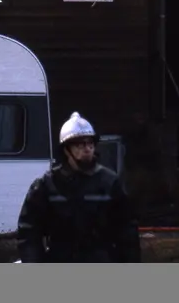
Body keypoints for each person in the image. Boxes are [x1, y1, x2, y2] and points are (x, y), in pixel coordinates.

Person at [16, 112, 141, 263]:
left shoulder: (110, 182)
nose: (87, 149)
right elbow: (29, 231)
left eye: (90, 144)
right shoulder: (47, 185)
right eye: (80, 145)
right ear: (66, 150)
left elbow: (127, 230)